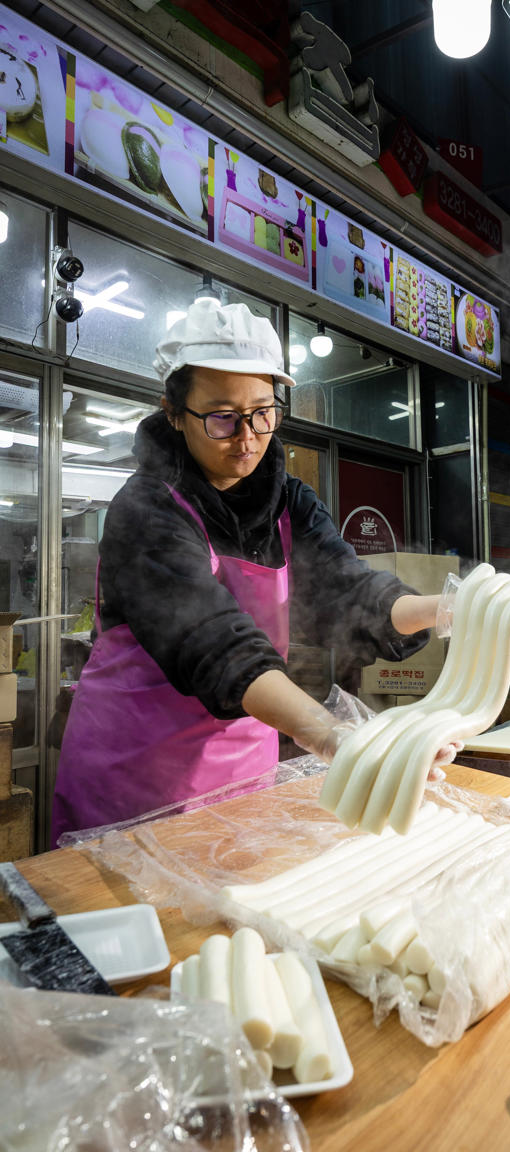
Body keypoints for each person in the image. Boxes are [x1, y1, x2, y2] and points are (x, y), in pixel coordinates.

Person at [50, 299, 442, 844]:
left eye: (262, 411)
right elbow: (213, 641)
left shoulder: (290, 501)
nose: (248, 436)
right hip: (134, 779)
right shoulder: (146, 508)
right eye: (222, 417)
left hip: (244, 774)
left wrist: (448, 610)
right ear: (173, 411)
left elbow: (347, 587)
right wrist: (331, 737)